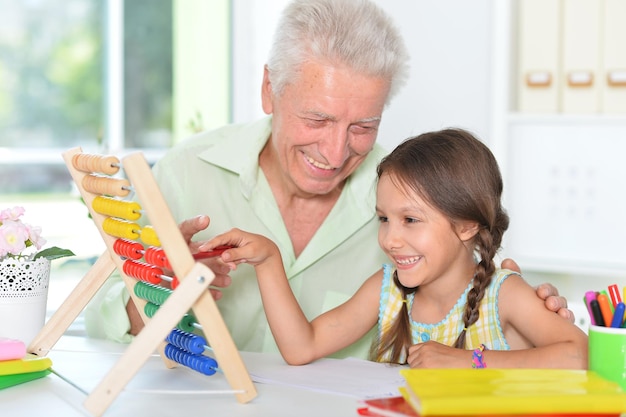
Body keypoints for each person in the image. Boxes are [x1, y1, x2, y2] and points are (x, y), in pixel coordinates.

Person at [85, 0, 573, 359]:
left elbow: (502, 312)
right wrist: (159, 291)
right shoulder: (188, 172)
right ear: (269, 90)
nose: (337, 152)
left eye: (363, 127)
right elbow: (102, 328)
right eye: (317, 119)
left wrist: (518, 329)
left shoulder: (416, 200)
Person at [202, 129, 588, 368]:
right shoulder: (386, 291)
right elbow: (302, 347)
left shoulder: (504, 294)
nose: (390, 239)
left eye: (411, 220)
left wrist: (468, 362)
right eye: (384, 219)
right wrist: (269, 260)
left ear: (467, 224)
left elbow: (578, 356)